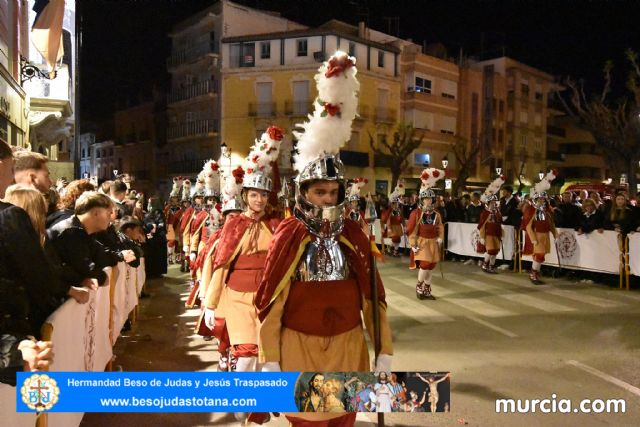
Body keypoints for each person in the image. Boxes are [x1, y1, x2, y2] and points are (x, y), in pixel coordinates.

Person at [254, 52, 392, 427]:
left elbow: (371, 296)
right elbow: (271, 300)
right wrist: (269, 356)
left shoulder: (353, 235)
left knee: (343, 420)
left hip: (348, 348)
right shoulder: (290, 234)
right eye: (320, 192)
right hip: (301, 349)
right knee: (309, 422)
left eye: (333, 192)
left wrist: (385, 350)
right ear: (304, 193)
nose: (328, 199)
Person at [203, 126, 283, 378]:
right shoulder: (234, 225)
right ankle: (240, 398)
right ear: (246, 196)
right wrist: (210, 304)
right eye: (254, 195)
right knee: (246, 358)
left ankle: (263, 403)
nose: (259, 200)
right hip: (237, 297)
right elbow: (222, 264)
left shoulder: (276, 224)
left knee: (270, 360)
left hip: (269, 298)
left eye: (263, 195)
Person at [46, 191, 136, 296]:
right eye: (109, 213)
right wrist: (95, 277)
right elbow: (88, 270)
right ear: (96, 213)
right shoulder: (72, 232)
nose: (111, 218)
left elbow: (100, 253)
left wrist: (120, 255)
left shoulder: (83, 231)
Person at [406, 168, 445, 300]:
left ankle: (427, 290)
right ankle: (419, 286)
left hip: (433, 242)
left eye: (430, 199)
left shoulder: (437, 214)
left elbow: (440, 226)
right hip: (422, 242)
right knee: (425, 265)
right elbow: (412, 230)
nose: (428, 201)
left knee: (431, 266)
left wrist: (440, 238)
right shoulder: (416, 213)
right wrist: (413, 244)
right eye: (426, 199)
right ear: (422, 199)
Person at [522, 172, 558, 284]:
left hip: (545, 236)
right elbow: (528, 226)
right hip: (537, 236)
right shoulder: (533, 211)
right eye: (539, 200)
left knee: (541, 256)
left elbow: (551, 225)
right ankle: (533, 274)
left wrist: (556, 235)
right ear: (535, 200)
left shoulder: (546, 212)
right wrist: (533, 238)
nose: (542, 201)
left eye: (543, 199)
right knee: (539, 255)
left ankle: (536, 273)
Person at [477, 176, 505, 274]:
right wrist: (482, 236)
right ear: (488, 203)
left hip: (496, 234)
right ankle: (485, 264)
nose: (493, 204)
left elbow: (499, 223)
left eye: (494, 202)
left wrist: (501, 233)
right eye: (491, 202)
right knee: (490, 251)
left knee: (495, 251)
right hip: (488, 234)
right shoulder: (485, 213)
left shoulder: (497, 212)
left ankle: (491, 266)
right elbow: (482, 225)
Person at [384, 181, 406, 257]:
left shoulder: (399, 210)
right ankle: (389, 249)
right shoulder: (391, 211)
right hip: (393, 227)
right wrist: (389, 228)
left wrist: (404, 225)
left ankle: (395, 252)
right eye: (395, 203)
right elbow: (388, 220)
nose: (396, 205)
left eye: (397, 203)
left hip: (398, 226)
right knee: (394, 239)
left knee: (398, 240)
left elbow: (402, 218)